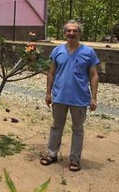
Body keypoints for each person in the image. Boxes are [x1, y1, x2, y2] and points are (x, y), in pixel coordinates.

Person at [40, 20, 99, 171]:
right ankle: (51, 154)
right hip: (59, 97)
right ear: (65, 33)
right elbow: (51, 73)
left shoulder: (88, 52)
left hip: (79, 99)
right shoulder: (57, 51)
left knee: (78, 129)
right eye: (69, 31)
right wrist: (48, 93)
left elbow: (93, 76)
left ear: (79, 34)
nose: (71, 33)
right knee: (56, 127)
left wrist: (93, 97)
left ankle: (74, 159)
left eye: (75, 31)